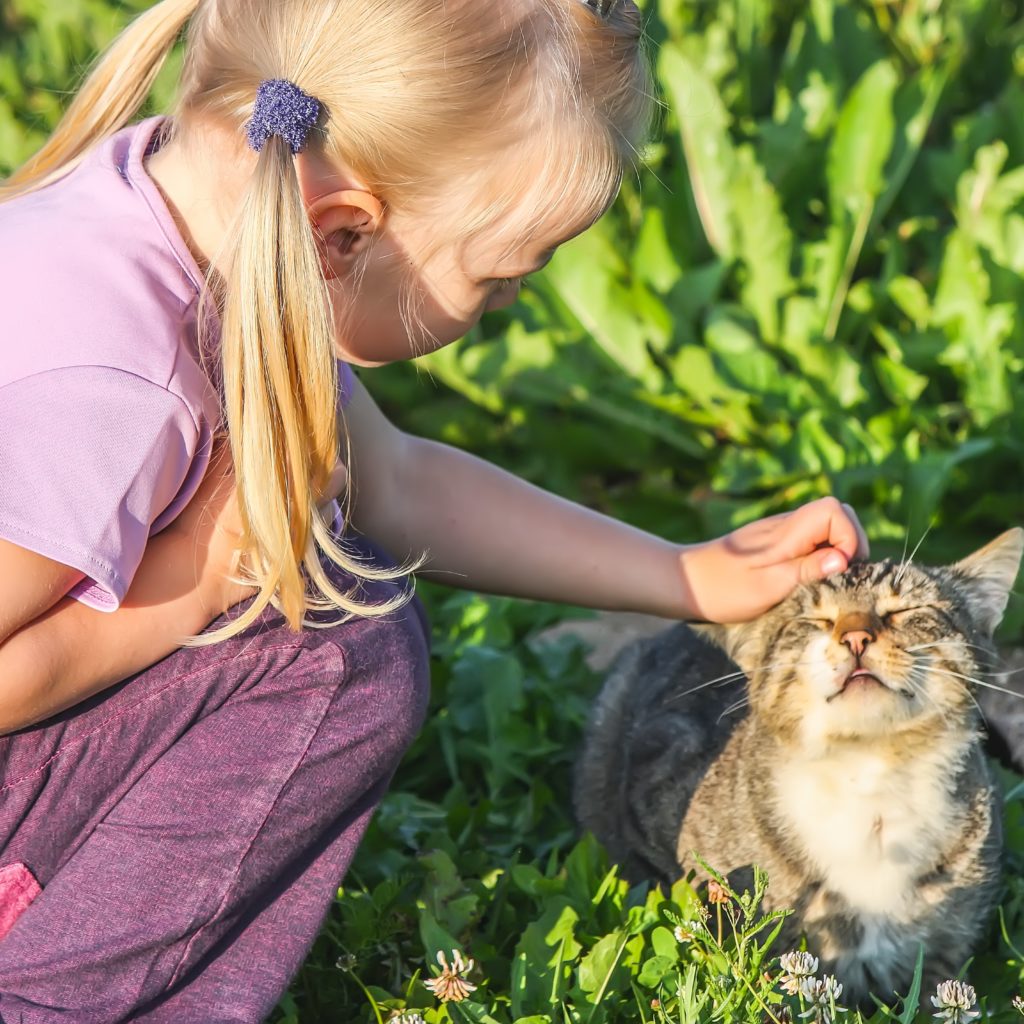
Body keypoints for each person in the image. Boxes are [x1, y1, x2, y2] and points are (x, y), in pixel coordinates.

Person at [0, 0, 869, 1017]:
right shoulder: (115, 381)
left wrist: (688, 574)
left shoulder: (198, 207)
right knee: (333, 644)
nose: (507, 309)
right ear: (343, 230)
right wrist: (193, 580)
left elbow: (396, 479)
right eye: (500, 281)